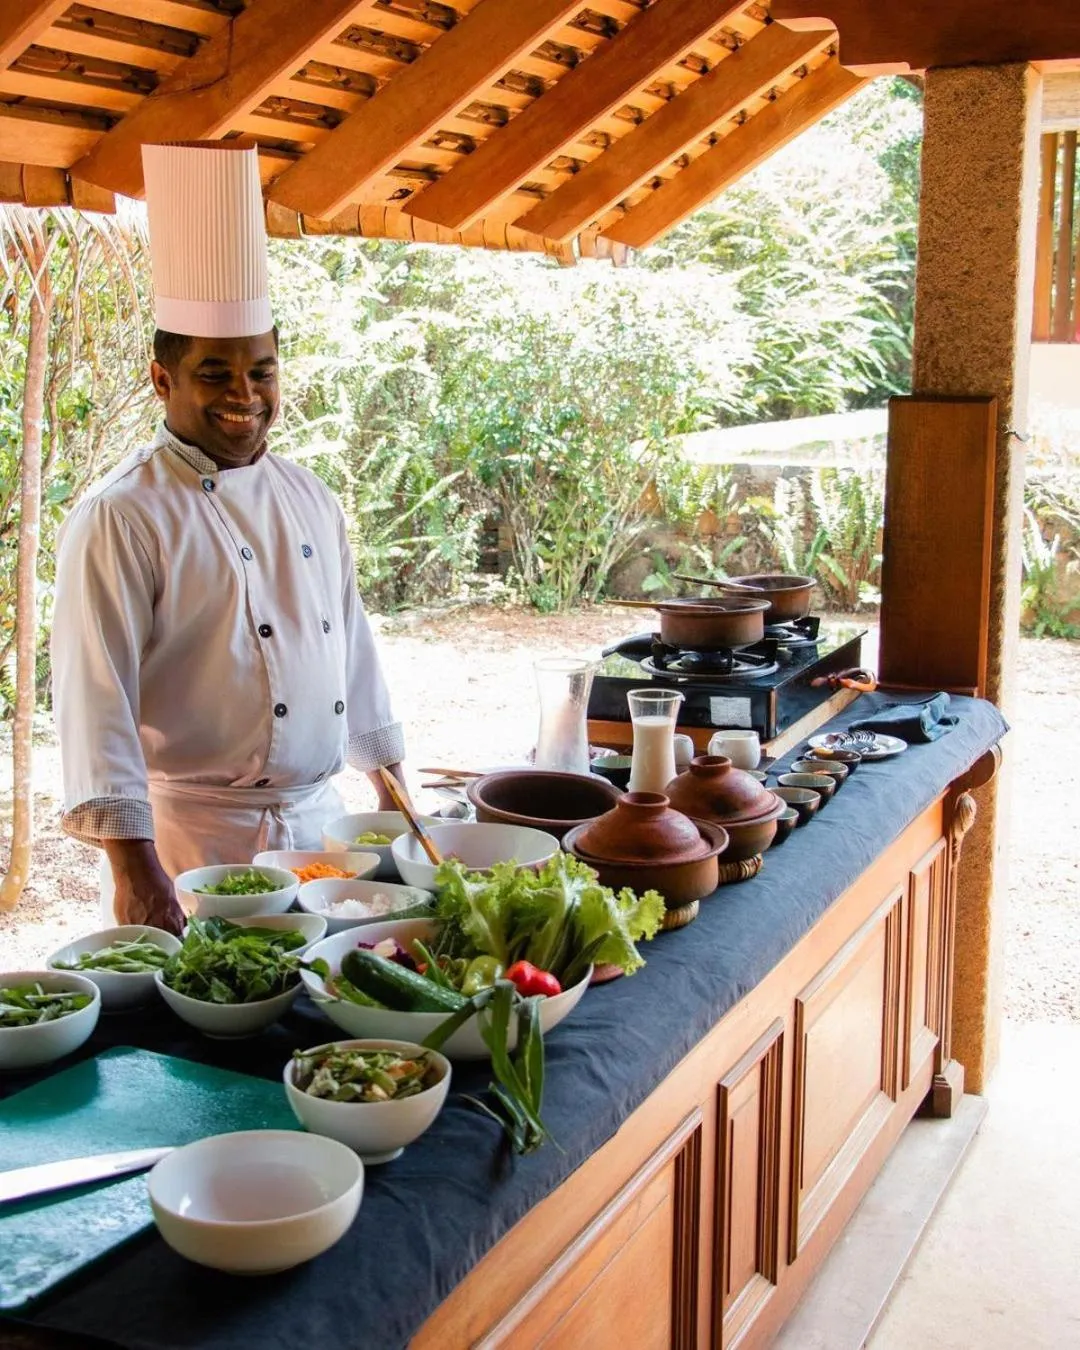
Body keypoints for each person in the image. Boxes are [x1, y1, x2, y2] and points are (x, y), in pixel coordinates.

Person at [50, 142, 405, 934]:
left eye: (262, 371)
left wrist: (392, 790)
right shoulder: (123, 514)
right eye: (215, 373)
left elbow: (350, 642)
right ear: (162, 378)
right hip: (195, 846)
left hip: (323, 837)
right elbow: (95, 699)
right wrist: (135, 873)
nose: (245, 396)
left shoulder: (308, 494)